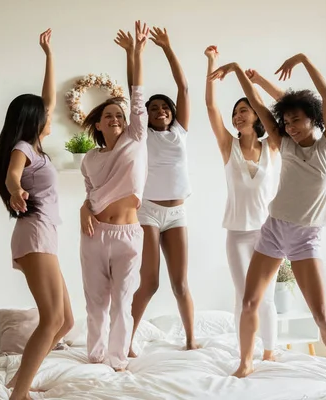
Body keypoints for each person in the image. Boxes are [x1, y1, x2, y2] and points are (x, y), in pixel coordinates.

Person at [208, 53, 326, 388]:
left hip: (306, 237)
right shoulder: (284, 144)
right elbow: (261, 107)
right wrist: (238, 73)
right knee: (249, 301)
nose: (289, 126)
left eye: (296, 121)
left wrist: (303, 60)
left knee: (320, 315)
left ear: (313, 120)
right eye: (286, 122)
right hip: (273, 229)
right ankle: (246, 363)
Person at [0, 29, 74, 400]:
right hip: (34, 233)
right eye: (43, 114)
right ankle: (19, 394)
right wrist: (15, 189)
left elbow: (49, 100)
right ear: (31, 119)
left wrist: (49, 55)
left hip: (44, 233)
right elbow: (11, 173)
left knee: (66, 321)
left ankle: (18, 379)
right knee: (52, 318)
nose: (49, 116)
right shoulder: (23, 146)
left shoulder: (36, 143)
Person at [114, 26, 198, 356]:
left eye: (165, 107)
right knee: (150, 281)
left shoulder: (180, 132)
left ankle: (191, 341)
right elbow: (134, 92)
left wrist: (167, 47)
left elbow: (185, 86)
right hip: (148, 211)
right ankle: (126, 339)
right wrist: (133, 54)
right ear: (146, 115)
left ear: (172, 113)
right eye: (154, 108)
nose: (160, 110)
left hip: (177, 213)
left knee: (180, 283)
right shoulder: (141, 136)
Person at [204, 45, 283, 361]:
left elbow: (271, 108)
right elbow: (211, 106)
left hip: (269, 234)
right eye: (235, 112)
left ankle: (270, 352)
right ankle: (245, 353)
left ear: (256, 115)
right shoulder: (229, 147)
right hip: (237, 234)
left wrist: (254, 82)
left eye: (244, 110)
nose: (237, 115)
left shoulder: (273, 147)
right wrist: (212, 64)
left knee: (268, 298)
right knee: (245, 295)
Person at [78, 21, 150, 372]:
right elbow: (90, 196)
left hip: (128, 236)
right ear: (99, 125)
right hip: (94, 236)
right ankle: (94, 355)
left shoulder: (136, 141)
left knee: (123, 302)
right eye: (109, 116)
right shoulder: (90, 158)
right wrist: (82, 210)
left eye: (120, 115)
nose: (116, 118)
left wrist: (133, 52)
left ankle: (117, 359)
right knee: (96, 302)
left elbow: (137, 97)